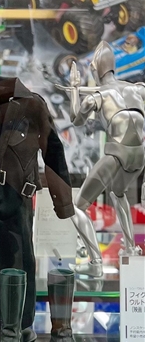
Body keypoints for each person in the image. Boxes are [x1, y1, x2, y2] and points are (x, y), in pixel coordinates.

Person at [57, 42, 145, 277]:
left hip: (116, 153)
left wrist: (74, 89)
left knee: (77, 207)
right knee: (118, 193)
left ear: (95, 70)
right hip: (140, 156)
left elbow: (76, 119)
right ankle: (131, 249)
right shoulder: (137, 89)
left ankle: (95, 263)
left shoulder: (97, 97)